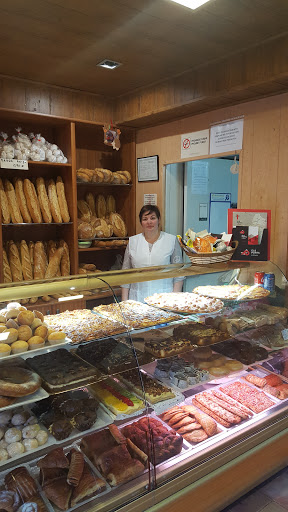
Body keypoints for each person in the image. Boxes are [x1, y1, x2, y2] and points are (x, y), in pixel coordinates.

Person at [121, 205, 184, 302]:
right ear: (141, 222)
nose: (149, 222)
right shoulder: (133, 242)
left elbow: (179, 274)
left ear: (159, 220)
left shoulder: (171, 240)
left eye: (153, 218)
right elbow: (125, 275)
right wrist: (124, 303)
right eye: (145, 219)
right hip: (137, 299)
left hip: (165, 299)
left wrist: (175, 300)